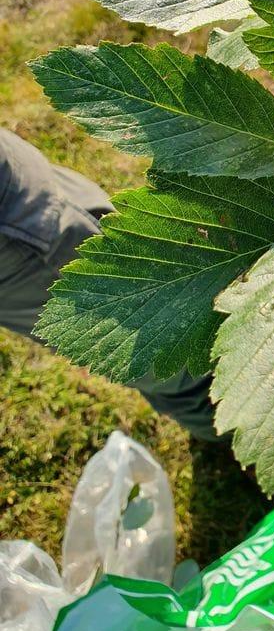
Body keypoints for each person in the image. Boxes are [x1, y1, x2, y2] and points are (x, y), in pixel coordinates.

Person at [0, 129, 218, 440]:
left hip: (22, 228)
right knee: (158, 350)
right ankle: (231, 426)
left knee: (166, 351)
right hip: (23, 218)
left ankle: (239, 426)